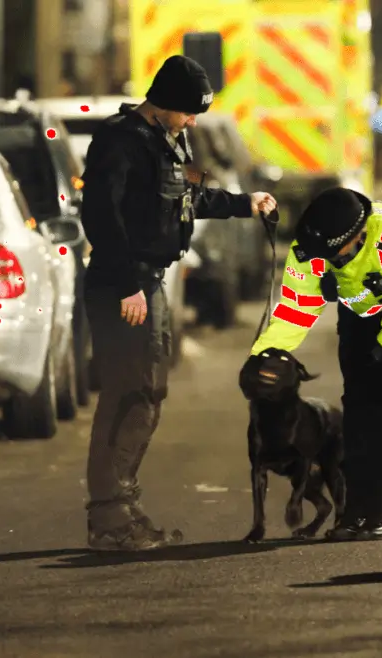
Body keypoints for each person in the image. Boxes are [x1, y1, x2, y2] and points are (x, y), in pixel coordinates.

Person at [81, 55, 278, 551]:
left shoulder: (167, 140)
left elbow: (185, 203)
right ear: (164, 101)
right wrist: (128, 284)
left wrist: (243, 204)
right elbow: (103, 216)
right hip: (122, 286)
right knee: (129, 396)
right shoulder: (120, 140)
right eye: (188, 112)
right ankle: (109, 520)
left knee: (147, 395)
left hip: (149, 282)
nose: (193, 121)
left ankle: (123, 509)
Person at [247, 186, 382, 541]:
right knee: (356, 407)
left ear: (358, 236)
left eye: (334, 255)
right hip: (360, 312)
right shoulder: (309, 250)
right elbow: (295, 312)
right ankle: (356, 511)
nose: (327, 262)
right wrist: (262, 357)